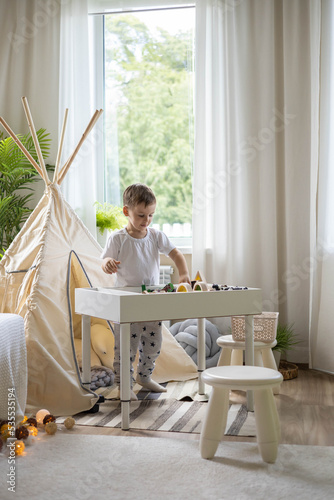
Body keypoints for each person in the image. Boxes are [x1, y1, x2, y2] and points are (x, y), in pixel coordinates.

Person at [101, 183, 191, 400]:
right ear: (126, 211)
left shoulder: (155, 236)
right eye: (141, 215)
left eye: (151, 215)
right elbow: (104, 260)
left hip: (151, 300)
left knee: (153, 344)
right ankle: (124, 385)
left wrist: (183, 274)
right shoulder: (118, 238)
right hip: (127, 302)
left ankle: (144, 376)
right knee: (126, 348)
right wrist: (108, 264)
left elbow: (176, 253)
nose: (146, 220)